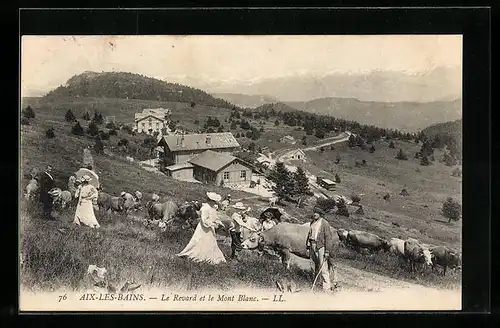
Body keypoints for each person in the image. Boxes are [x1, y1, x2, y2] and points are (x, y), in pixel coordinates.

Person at [176, 193, 226, 265]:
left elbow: (214, 217)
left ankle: (211, 257)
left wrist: (219, 223)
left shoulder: (213, 208)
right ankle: (199, 256)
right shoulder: (205, 208)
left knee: (211, 242)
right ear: (210, 200)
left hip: (210, 228)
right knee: (201, 241)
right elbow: (204, 220)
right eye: (214, 201)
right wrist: (213, 224)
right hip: (204, 228)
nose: (215, 203)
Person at [306, 206, 335, 292]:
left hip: (320, 246)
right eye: (314, 212)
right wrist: (308, 246)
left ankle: (326, 287)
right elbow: (309, 234)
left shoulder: (324, 223)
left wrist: (327, 251)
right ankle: (316, 282)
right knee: (314, 264)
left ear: (320, 214)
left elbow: (328, 237)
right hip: (312, 245)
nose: (315, 214)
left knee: (323, 266)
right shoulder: (312, 222)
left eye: (317, 213)